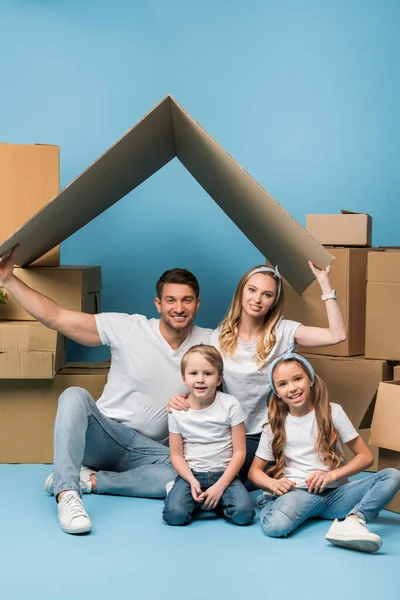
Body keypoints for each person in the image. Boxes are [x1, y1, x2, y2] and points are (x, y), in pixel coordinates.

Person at [0, 246, 211, 535]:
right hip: (105, 437)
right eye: (171, 300)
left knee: (187, 476)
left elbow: (256, 348)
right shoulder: (128, 328)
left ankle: (90, 482)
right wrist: (9, 279)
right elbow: (57, 317)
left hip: (153, 452)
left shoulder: (211, 343)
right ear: (158, 304)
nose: (179, 307)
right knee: (74, 396)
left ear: (198, 304)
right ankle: (67, 493)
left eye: (187, 300)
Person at [170, 262, 347, 483]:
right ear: (241, 292)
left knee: (251, 482)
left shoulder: (283, 331)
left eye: (267, 294)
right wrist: (183, 397)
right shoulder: (218, 338)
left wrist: (324, 282)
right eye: (252, 290)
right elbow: (203, 378)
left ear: (274, 302)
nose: (257, 299)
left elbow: (337, 335)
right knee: (209, 478)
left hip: (271, 435)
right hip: (232, 434)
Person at [248, 350, 400, 552]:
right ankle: (275, 502)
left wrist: (331, 476)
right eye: (282, 384)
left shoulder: (333, 412)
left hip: (337, 496)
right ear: (276, 391)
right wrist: (273, 484)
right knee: (275, 527)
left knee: (393, 475)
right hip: (299, 494)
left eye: (298, 379)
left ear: (310, 380)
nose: (292, 388)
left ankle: (353, 521)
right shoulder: (274, 426)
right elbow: (254, 472)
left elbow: (366, 457)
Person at [163, 344, 255, 526]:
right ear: (184, 378)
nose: (200, 379)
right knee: (174, 515)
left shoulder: (230, 405)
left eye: (208, 373)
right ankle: (191, 495)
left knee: (243, 514)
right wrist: (191, 480)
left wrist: (220, 486)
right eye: (193, 373)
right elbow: (176, 454)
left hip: (224, 475)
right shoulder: (177, 410)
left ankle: (212, 499)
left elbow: (239, 452)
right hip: (191, 475)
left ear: (219, 379)